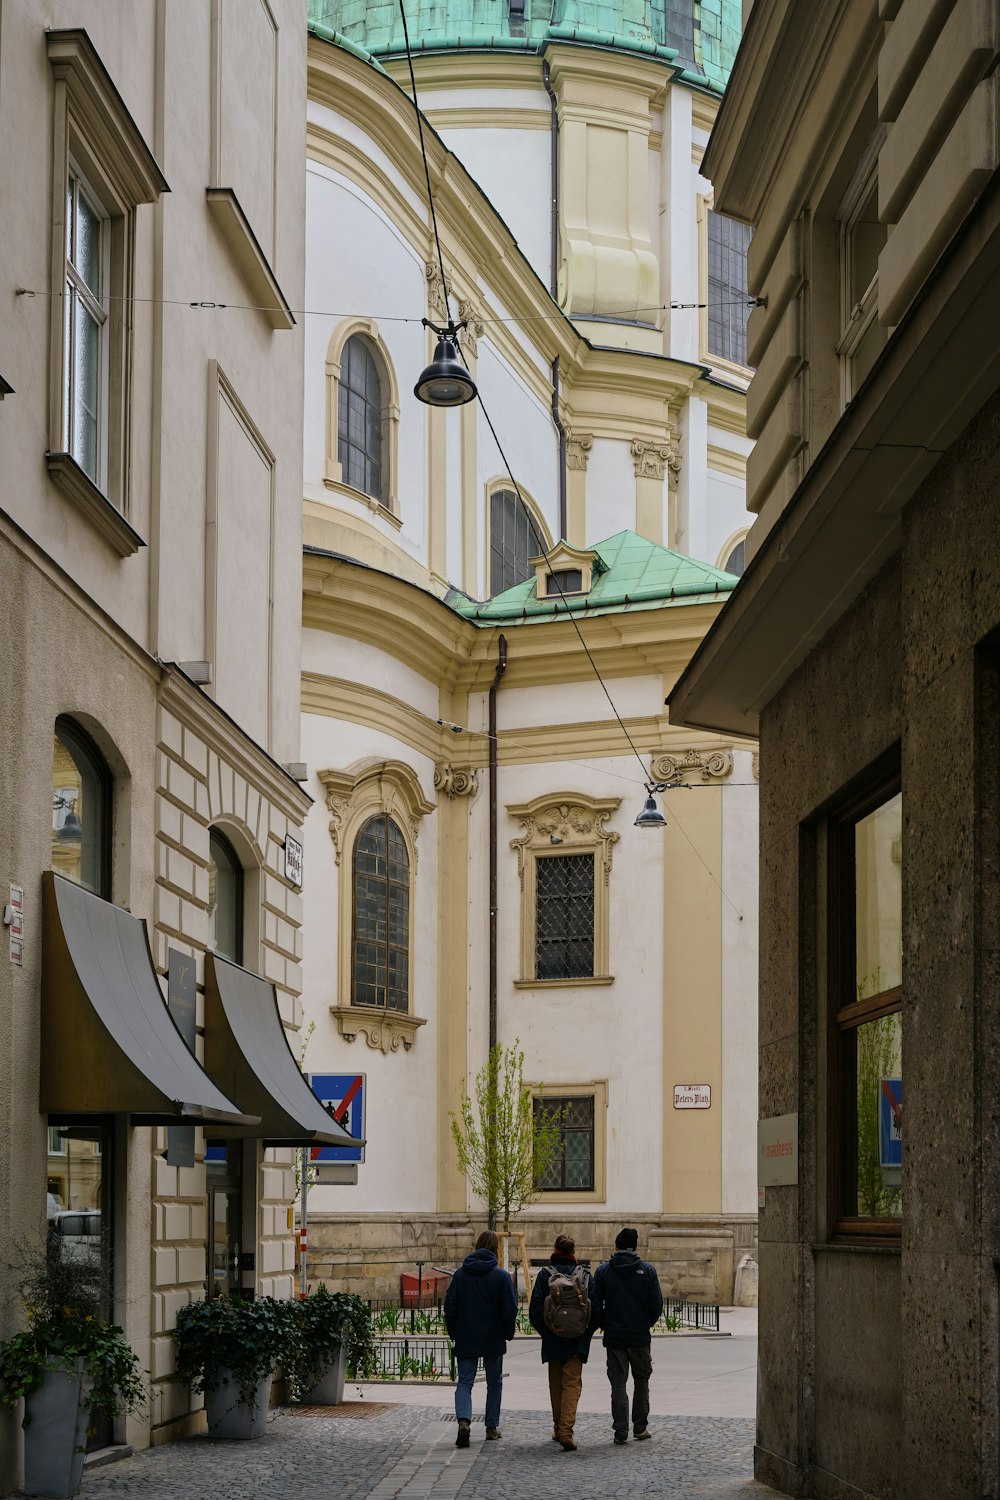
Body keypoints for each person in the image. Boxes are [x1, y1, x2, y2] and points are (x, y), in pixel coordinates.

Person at [444, 1229, 517, 1447]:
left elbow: (450, 1308)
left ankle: (464, 1422)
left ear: (476, 1247)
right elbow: (510, 1309)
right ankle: (491, 1427)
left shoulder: (460, 1274)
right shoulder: (502, 1276)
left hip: (466, 1335)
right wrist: (507, 1332)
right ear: (496, 1249)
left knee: (465, 1382)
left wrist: (454, 1332)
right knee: (494, 1382)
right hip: (493, 1337)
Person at [592, 1226, 664, 1444]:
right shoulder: (647, 1271)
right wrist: (644, 1323)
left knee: (618, 1383)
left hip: (614, 1336)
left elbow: (595, 1305)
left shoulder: (604, 1271)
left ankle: (620, 1431)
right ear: (635, 1246)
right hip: (639, 1336)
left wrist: (605, 1323)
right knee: (641, 1380)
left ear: (617, 1246)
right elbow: (656, 1305)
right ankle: (640, 1427)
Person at [528, 1233, 597, 1452]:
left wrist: (548, 1332)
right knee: (572, 1385)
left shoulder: (544, 1276)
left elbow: (535, 1311)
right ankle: (566, 1431)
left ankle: (558, 1429)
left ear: (555, 1251)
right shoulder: (585, 1276)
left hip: (553, 1339)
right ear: (573, 1253)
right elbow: (595, 1313)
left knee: (556, 1385)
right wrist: (584, 1333)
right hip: (577, 1341)